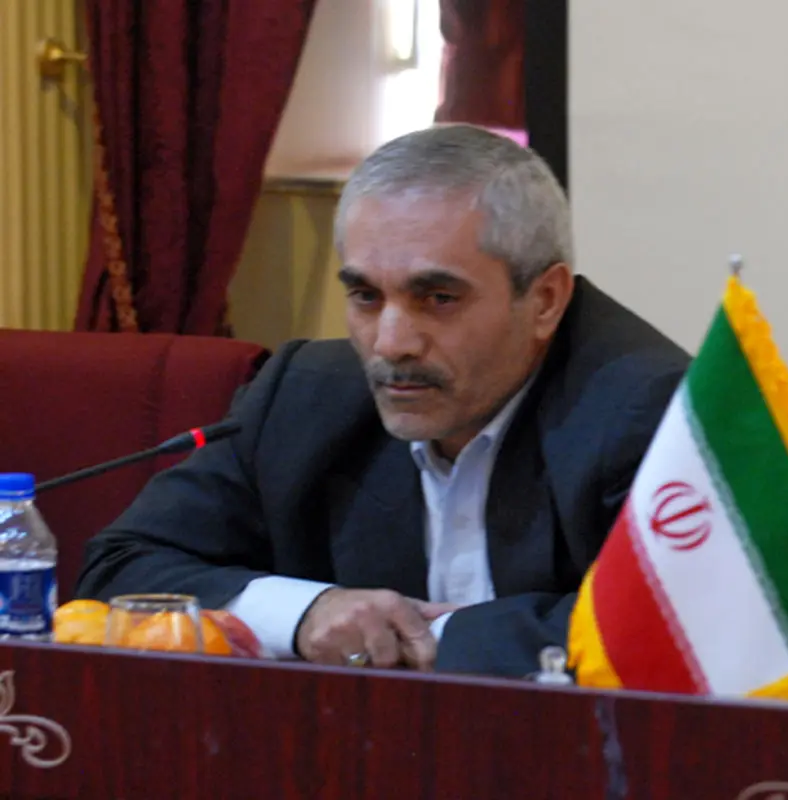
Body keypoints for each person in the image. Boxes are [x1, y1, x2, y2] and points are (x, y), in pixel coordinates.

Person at [75, 124, 690, 678]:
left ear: (546, 300)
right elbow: (121, 570)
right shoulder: (305, 392)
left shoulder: (652, 412)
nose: (391, 343)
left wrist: (425, 638)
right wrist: (309, 613)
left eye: (438, 298)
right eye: (366, 296)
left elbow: (682, 630)